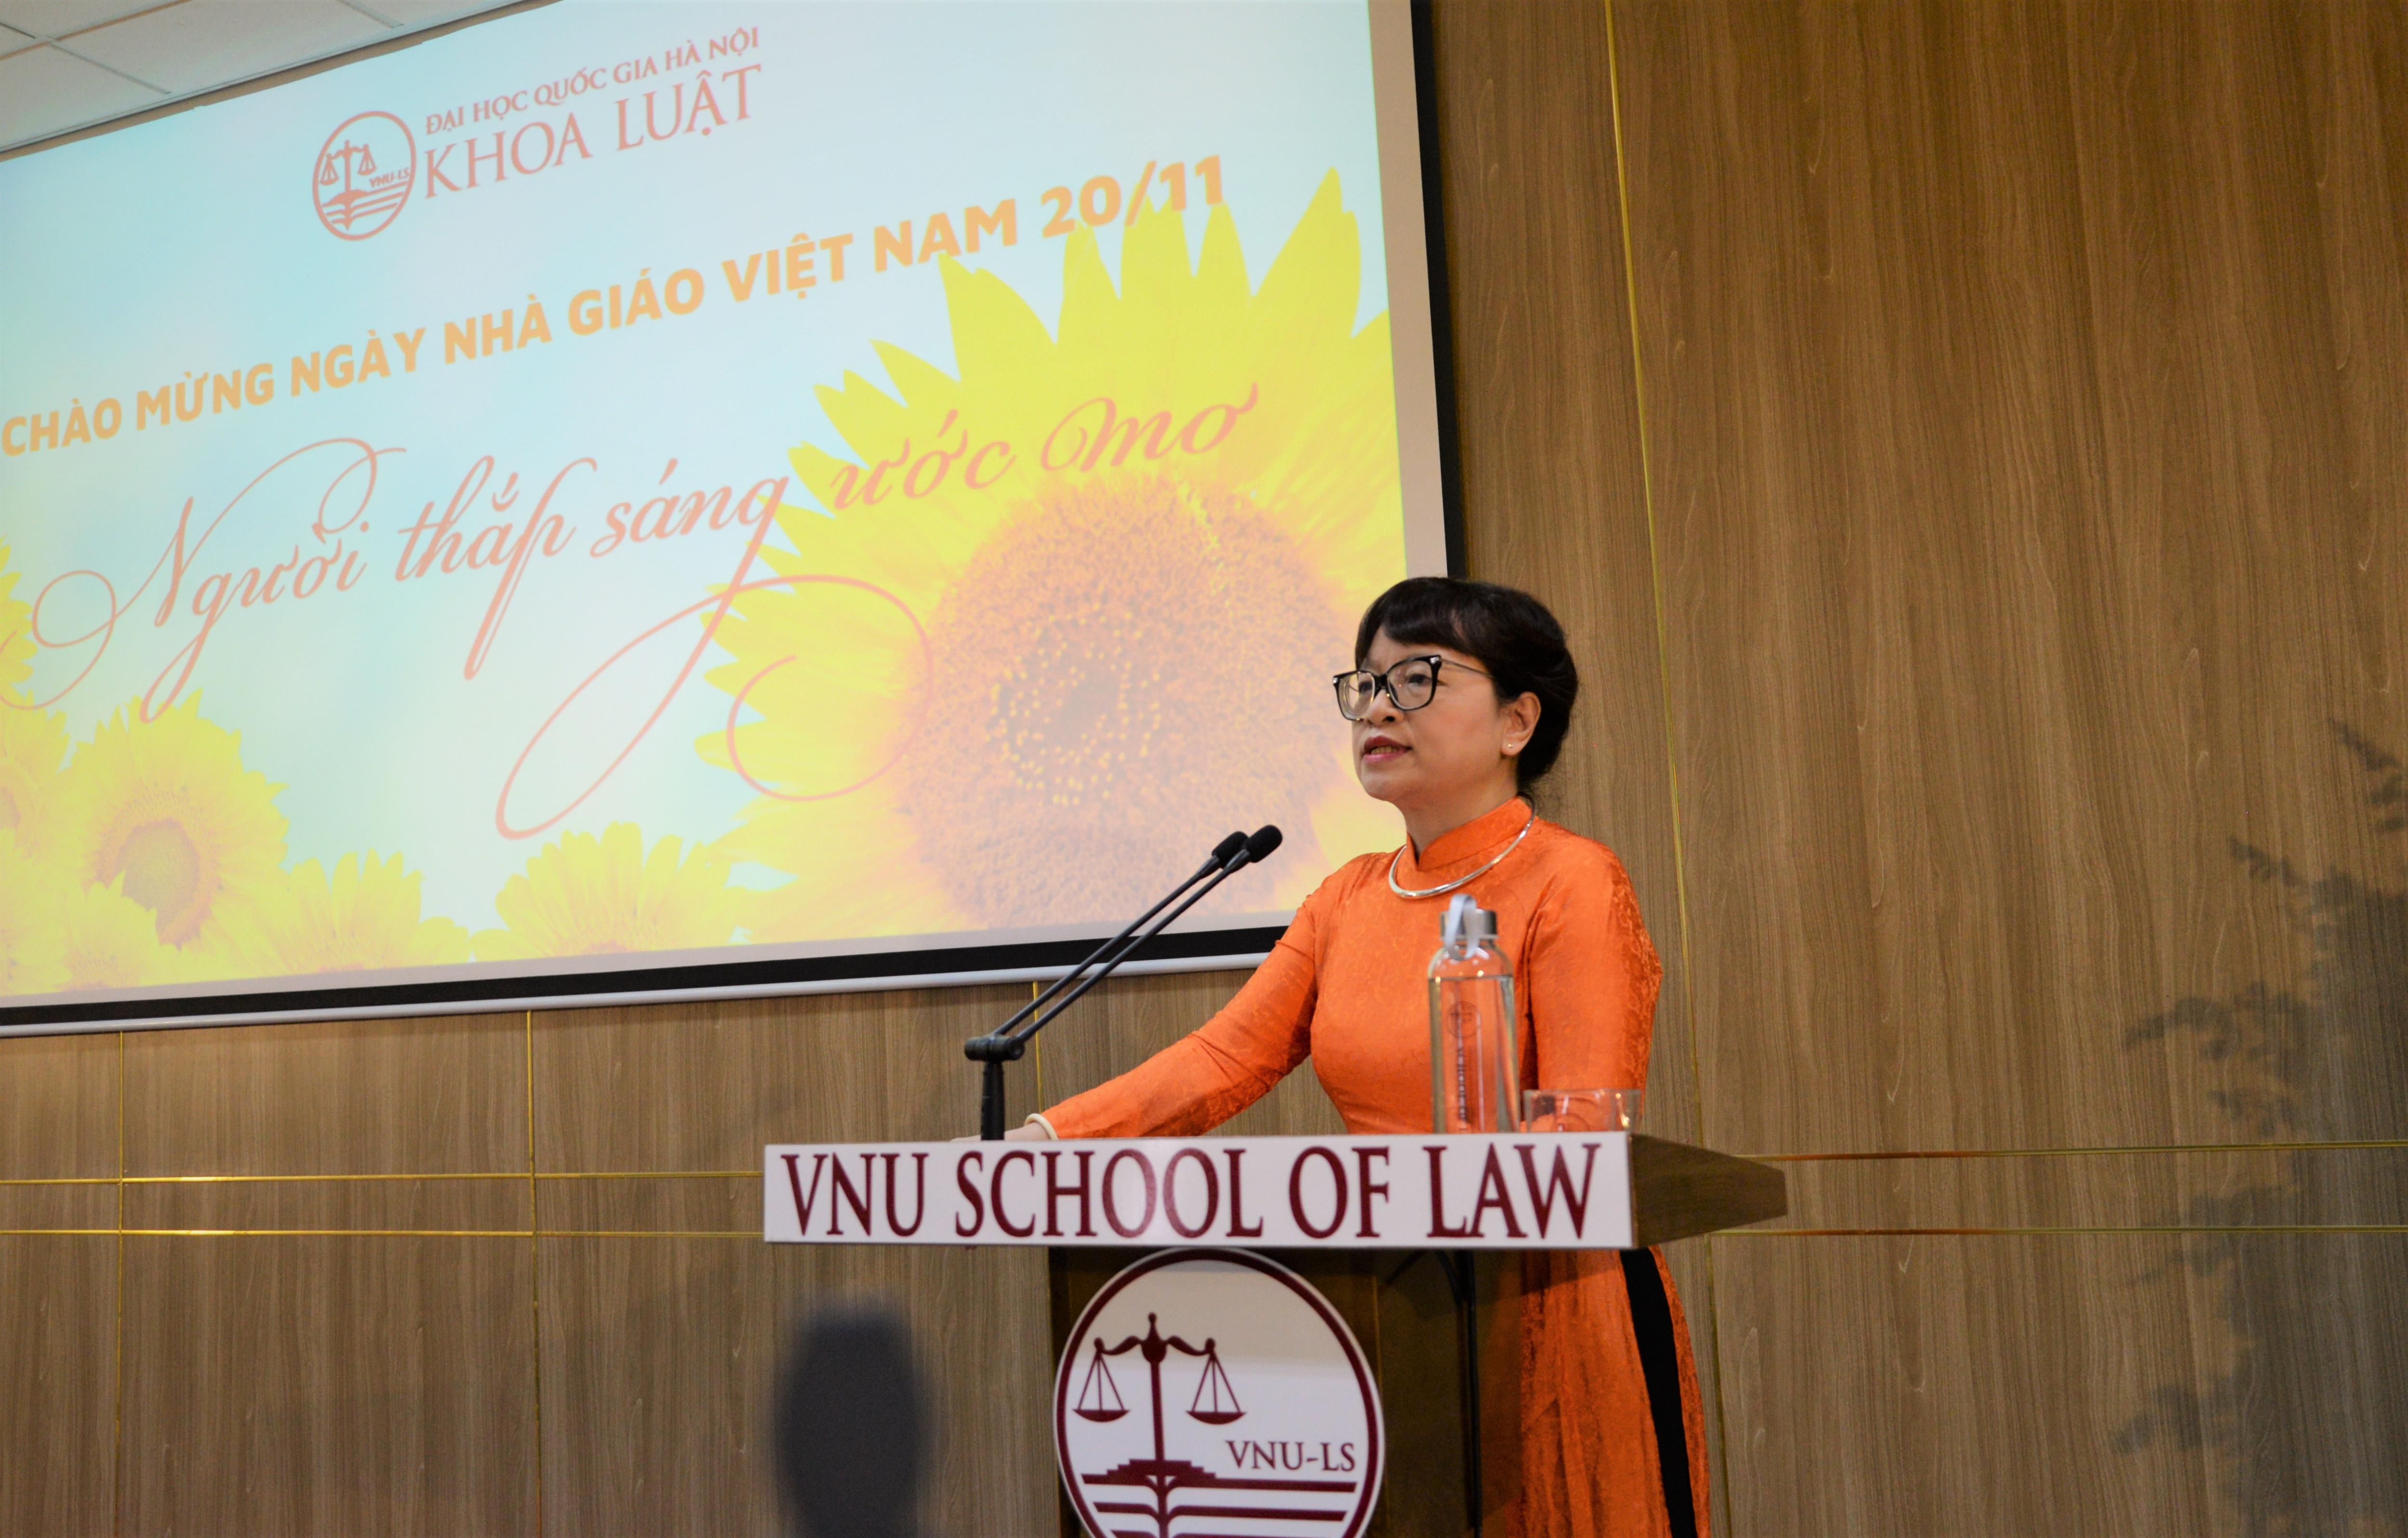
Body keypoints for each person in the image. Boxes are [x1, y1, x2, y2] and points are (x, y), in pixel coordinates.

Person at [1010, 576, 1708, 1538]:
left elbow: (1584, 1125)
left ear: (1517, 721)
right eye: (1368, 683)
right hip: (1391, 1303)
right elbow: (1224, 1058)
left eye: (1419, 679)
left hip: (1544, 1303)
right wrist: (1048, 1138)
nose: (1378, 707)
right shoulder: (1347, 897)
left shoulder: (1572, 878)